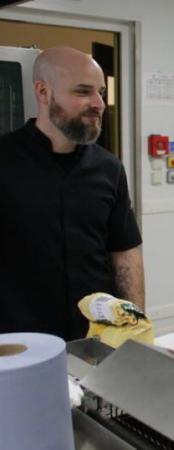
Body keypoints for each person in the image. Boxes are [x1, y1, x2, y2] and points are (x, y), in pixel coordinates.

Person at [0, 47, 144, 341]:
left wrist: (135, 325)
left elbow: (125, 253)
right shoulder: (4, 161)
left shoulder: (109, 168)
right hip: (19, 341)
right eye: (83, 92)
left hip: (96, 336)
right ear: (43, 91)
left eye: (101, 92)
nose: (99, 104)